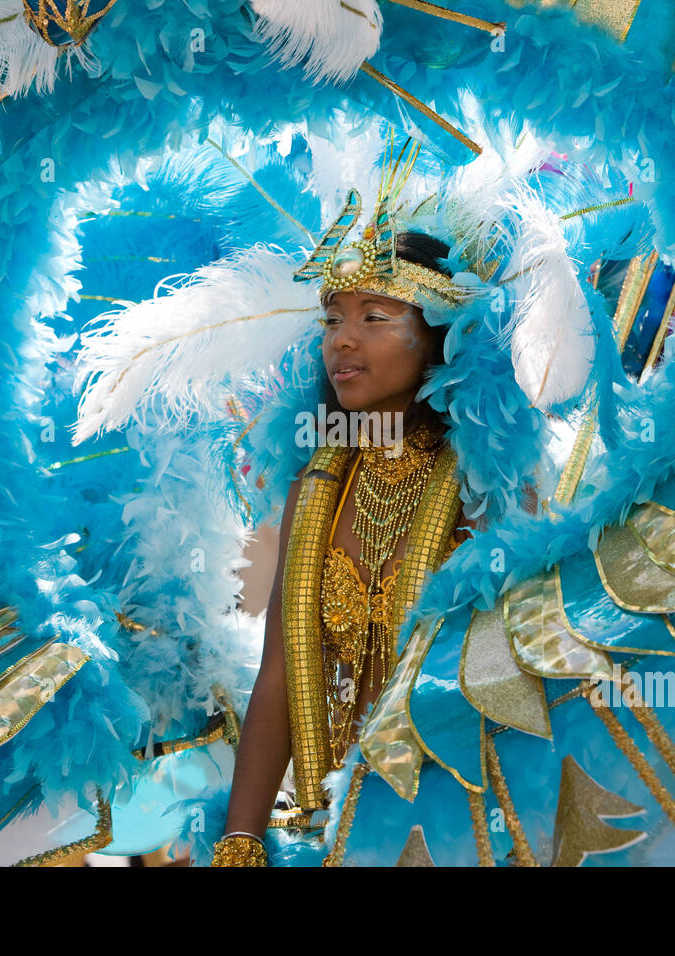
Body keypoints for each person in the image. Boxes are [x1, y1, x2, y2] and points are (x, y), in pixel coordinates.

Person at [212, 230, 477, 867]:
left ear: (441, 333)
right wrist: (242, 842)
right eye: (332, 318)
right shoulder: (318, 485)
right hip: (334, 830)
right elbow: (278, 671)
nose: (343, 340)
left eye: (374, 317)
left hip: (462, 816)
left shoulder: (487, 479)